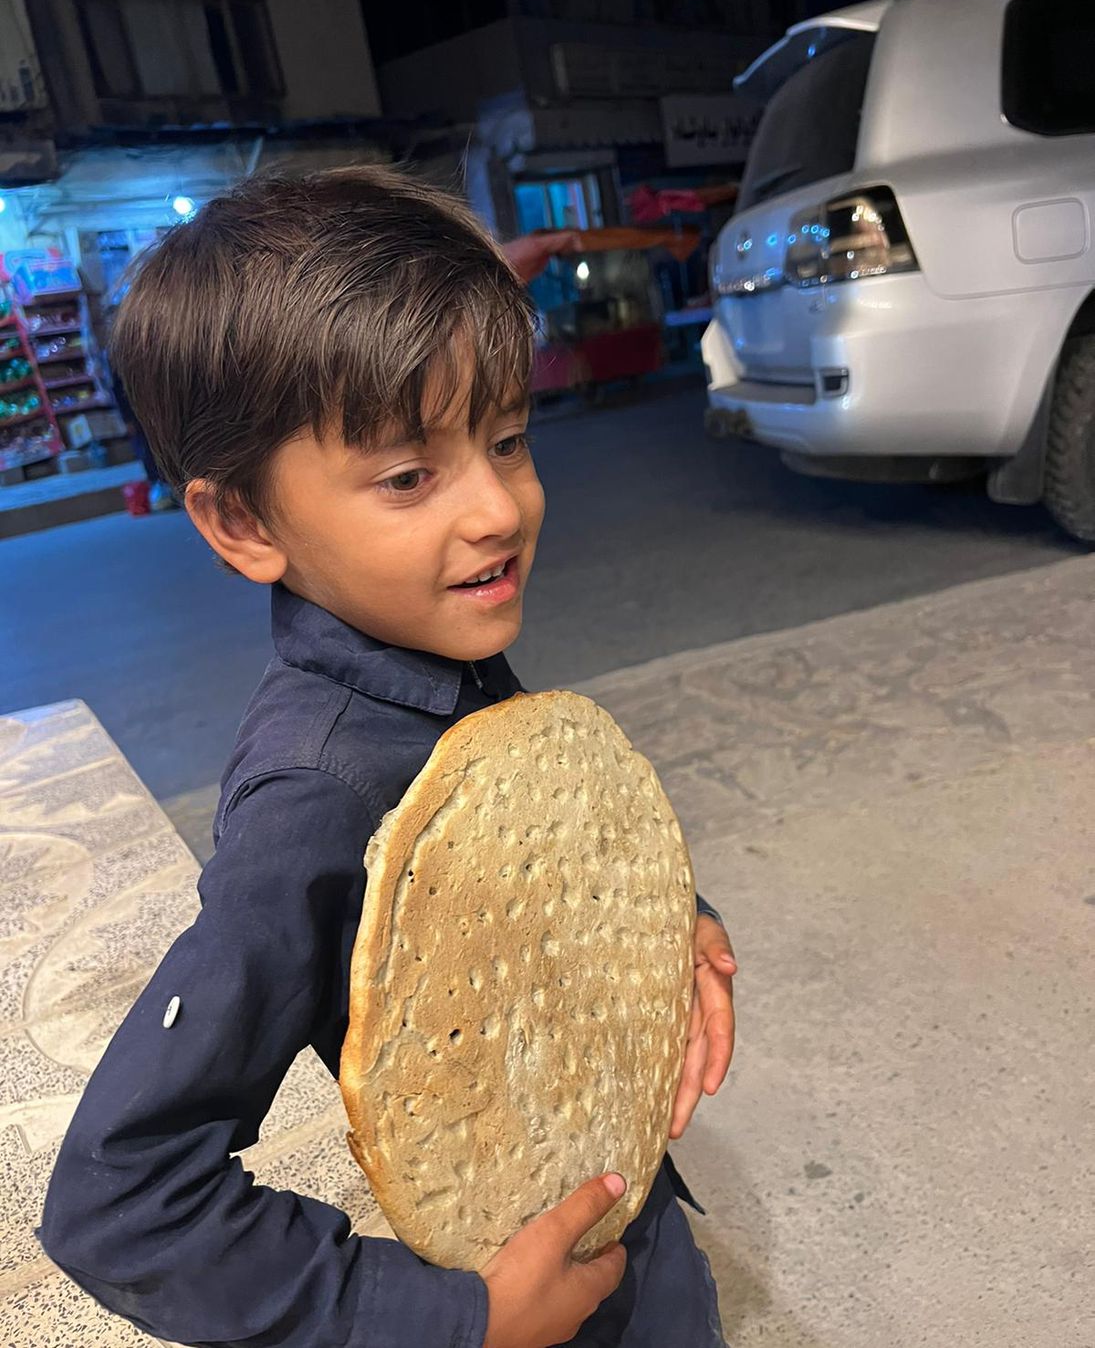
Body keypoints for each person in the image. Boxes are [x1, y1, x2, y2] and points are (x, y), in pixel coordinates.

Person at [38, 166, 738, 1348]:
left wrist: (677, 917)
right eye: (410, 475)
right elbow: (122, 1196)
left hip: (630, 1235)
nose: (498, 508)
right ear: (243, 523)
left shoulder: (434, 649)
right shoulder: (316, 799)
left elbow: (550, 863)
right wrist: (448, 1316)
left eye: (507, 439)